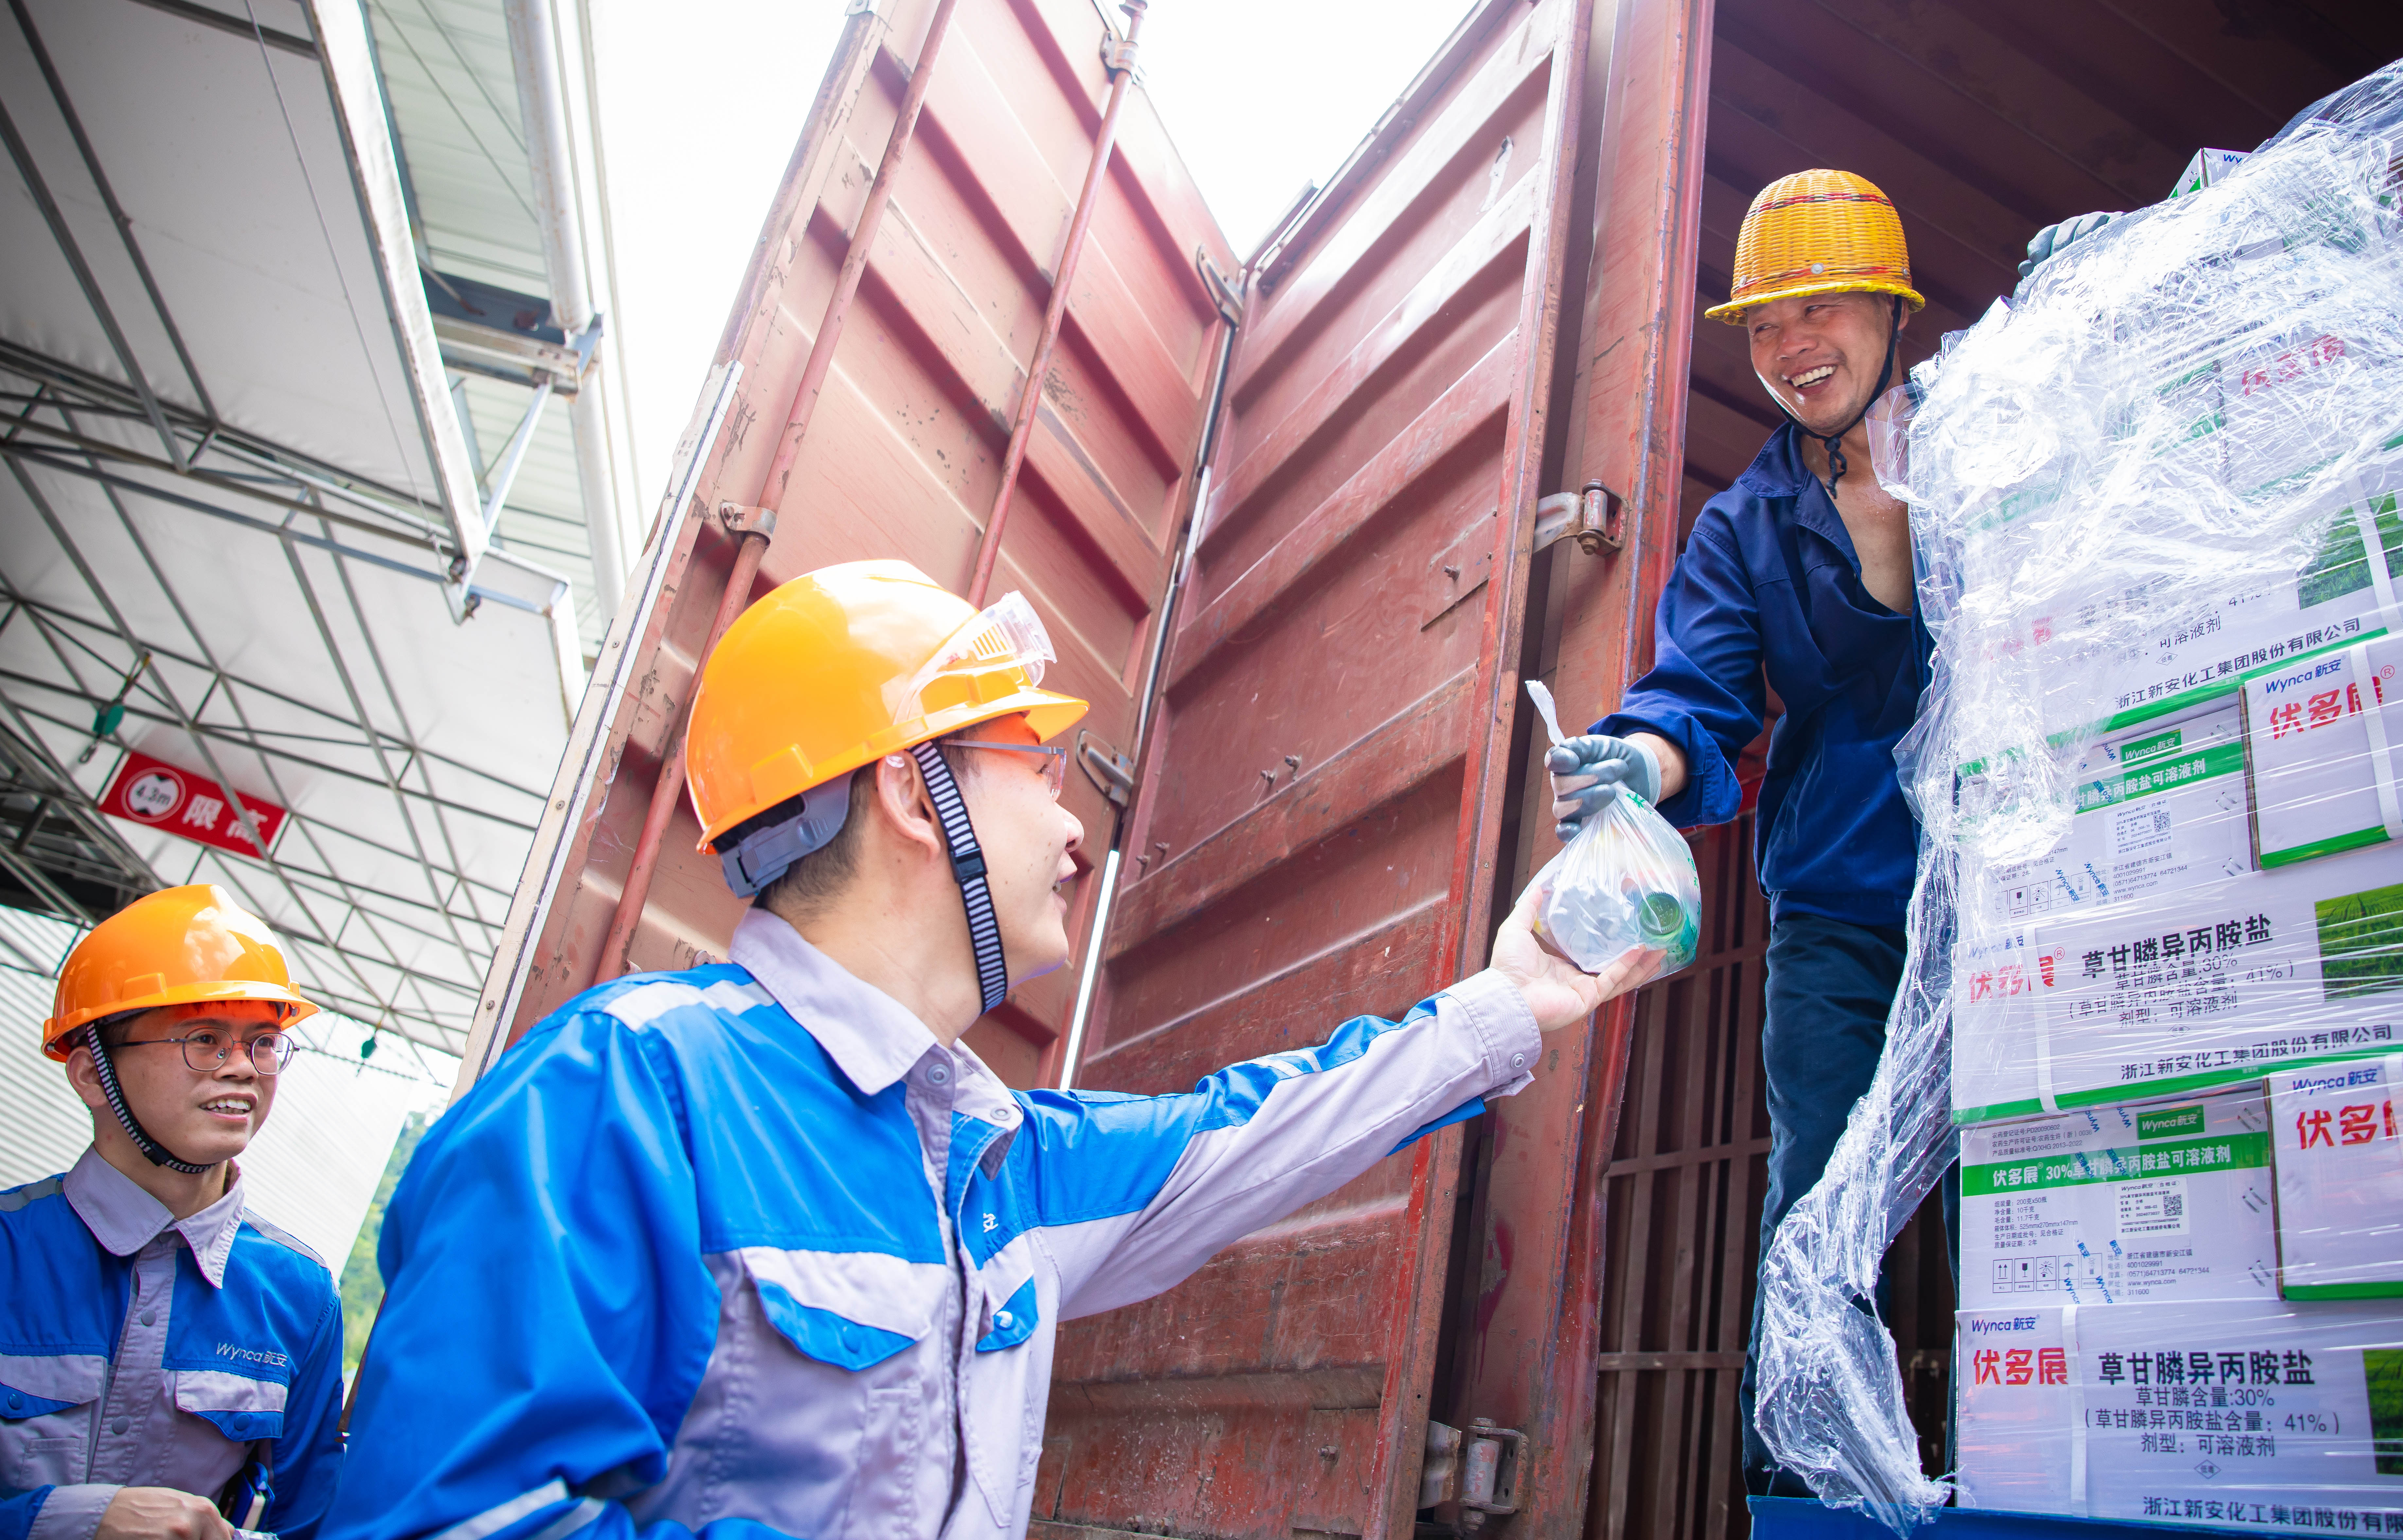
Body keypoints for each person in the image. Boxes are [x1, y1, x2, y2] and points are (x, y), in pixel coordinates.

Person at [328, 560, 1655, 1540]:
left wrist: (1508, 996)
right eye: (1037, 763)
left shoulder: (998, 1160)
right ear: (918, 789)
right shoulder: (624, 1090)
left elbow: (1251, 1126)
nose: (1081, 828)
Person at [1543, 169, 1947, 1497]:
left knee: (2028, 1176)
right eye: (1765, 323)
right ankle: (1799, 1490)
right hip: (1841, 902)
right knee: (1819, 1198)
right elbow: (1696, 696)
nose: (1792, 347)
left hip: (2009, 883)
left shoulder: (1984, 438)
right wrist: (1632, 764)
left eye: (1821, 305)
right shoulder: (1745, 523)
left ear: (1892, 309)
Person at [1, 884, 345, 1540]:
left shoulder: (299, 1296)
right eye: (204, 1038)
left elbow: (310, 1524)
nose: (243, 1067)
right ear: (91, 1075)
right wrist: (58, 1522)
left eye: (264, 1042)